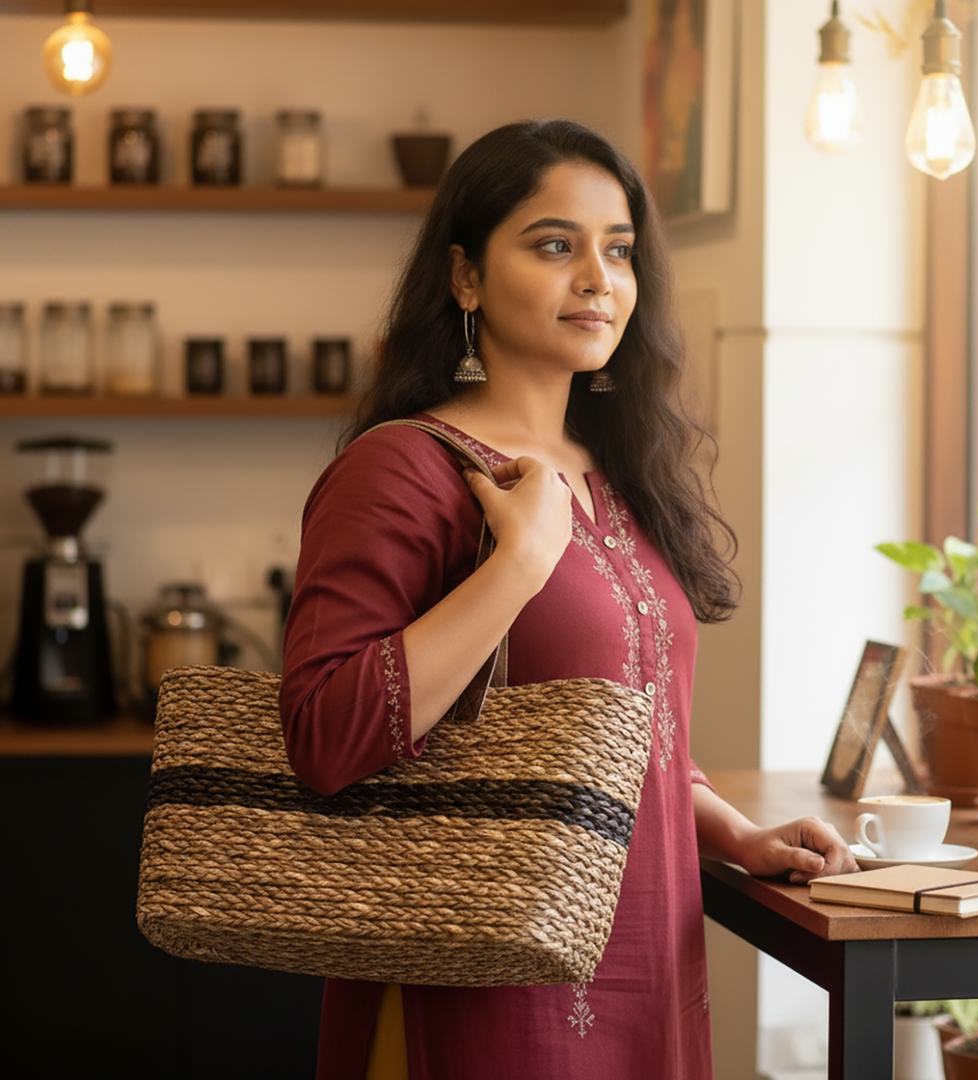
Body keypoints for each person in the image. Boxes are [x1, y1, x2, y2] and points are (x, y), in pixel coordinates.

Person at [279, 118, 856, 1080]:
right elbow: (323, 737)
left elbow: (626, 731)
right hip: (475, 997)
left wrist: (740, 835)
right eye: (555, 246)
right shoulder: (402, 471)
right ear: (466, 277)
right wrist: (518, 566)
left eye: (618, 251)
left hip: (650, 966)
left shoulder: (618, 474)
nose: (598, 278)